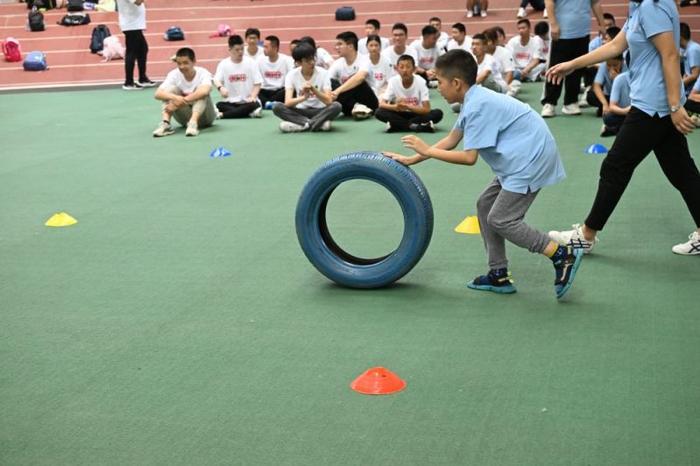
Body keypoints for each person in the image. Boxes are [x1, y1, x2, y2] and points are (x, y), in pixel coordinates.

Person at [383, 50, 583, 299]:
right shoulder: (472, 100)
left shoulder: (477, 106)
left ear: (456, 83)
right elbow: (451, 140)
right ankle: (498, 274)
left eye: (440, 83)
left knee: (502, 219)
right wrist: (413, 158)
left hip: (530, 159)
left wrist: (427, 151)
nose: (438, 88)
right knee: (485, 205)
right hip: (521, 156)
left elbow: (468, 158)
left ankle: (560, 254)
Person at [546, 0, 700, 256]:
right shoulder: (639, 6)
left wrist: (674, 106)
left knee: (615, 165)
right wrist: (573, 63)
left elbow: (670, 54)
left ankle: (587, 234)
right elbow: (617, 45)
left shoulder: (653, 7)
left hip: (653, 105)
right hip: (655, 103)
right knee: (682, 171)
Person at [541, 0, 606, 118]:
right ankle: (549, 102)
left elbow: (595, 3)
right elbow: (549, 2)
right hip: (562, 33)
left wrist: (602, 24)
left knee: (577, 69)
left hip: (582, 32)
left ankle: (570, 102)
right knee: (555, 69)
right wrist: (553, 24)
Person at [272, 43, 342, 133]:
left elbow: (328, 101)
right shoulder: (291, 75)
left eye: (313, 58)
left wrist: (313, 89)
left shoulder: (324, 73)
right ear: (299, 62)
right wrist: (304, 97)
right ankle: (316, 124)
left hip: (320, 110)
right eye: (308, 60)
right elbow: (288, 102)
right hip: (301, 110)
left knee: (337, 106)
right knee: (277, 107)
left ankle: (301, 125)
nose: (312, 62)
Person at [152, 47, 216, 137]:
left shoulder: (203, 73)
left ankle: (193, 124)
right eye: (179, 63)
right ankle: (166, 124)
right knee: (170, 91)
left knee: (200, 91)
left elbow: (205, 91)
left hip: (206, 118)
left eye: (185, 63)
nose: (182, 67)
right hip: (184, 120)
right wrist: (175, 98)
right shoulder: (174, 74)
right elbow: (157, 94)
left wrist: (179, 103)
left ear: (194, 61)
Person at [374, 54, 443, 133]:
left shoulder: (421, 81)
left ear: (413, 69)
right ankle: (415, 126)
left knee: (438, 113)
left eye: (408, 67)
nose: (404, 70)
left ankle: (398, 125)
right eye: (402, 67)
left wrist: (408, 106)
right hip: (400, 113)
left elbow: (426, 109)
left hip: (417, 113)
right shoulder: (393, 81)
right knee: (379, 112)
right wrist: (395, 107)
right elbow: (382, 104)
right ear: (397, 69)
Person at [328, 31, 378, 119]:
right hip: (348, 107)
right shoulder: (337, 63)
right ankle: (356, 106)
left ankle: (359, 107)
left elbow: (360, 77)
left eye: (340, 44)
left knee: (357, 79)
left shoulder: (365, 60)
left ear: (350, 46)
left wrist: (337, 91)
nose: (337, 47)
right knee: (330, 82)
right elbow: (326, 81)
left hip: (369, 103)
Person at [213, 35, 263, 119]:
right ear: (230, 50)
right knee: (219, 105)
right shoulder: (223, 64)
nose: (240, 52)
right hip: (231, 102)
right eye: (237, 50)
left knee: (255, 105)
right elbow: (216, 79)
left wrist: (253, 96)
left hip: (248, 101)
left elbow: (258, 83)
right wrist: (221, 88)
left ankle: (223, 115)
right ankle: (249, 113)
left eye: (242, 49)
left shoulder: (251, 62)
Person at [116, 0, 155, 90]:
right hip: (131, 25)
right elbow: (138, 1)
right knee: (131, 53)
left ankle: (143, 78)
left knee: (143, 49)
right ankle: (128, 82)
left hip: (135, 24)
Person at [507, 19, 546, 91]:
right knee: (513, 72)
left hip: (529, 69)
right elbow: (508, 58)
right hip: (516, 68)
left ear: (529, 29)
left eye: (523, 28)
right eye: (519, 29)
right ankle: (527, 77)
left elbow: (536, 59)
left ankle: (521, 77)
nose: (521, 30)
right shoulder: (513, 41)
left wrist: (525, 71)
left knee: (544, 65)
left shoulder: (536, 42)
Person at [258, 35, 295, 108]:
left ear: (275, 48)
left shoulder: (287, 60)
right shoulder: (259, 60)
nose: (263, 49)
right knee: (254, 91)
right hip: (265, 91)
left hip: (279, 91)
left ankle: (266, 104)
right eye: (263, 46)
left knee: (289, 91)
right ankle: (272, 104)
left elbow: (292, 77)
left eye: (266, 47)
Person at [484, 28, 515, 92]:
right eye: (484, 41)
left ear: (495, 41)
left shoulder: (505, 52)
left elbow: (509, 73)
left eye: (488, 41)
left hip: (502, 83)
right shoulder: (480, 53)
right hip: (487, 83)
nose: (486, 43)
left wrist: (504, 88)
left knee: (516, 84)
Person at [600, 70, 630, 136]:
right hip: (626, 113)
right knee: (608, 117)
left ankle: (614, 130)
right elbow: (612, 107)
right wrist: (626, 111)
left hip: (642, 112)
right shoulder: (620, 78)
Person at [680, 23, 700, 93]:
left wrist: (678, 86)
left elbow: (695, 75)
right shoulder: (686, 49)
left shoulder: (693, 49)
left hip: (692, 93)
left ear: (680, 37)